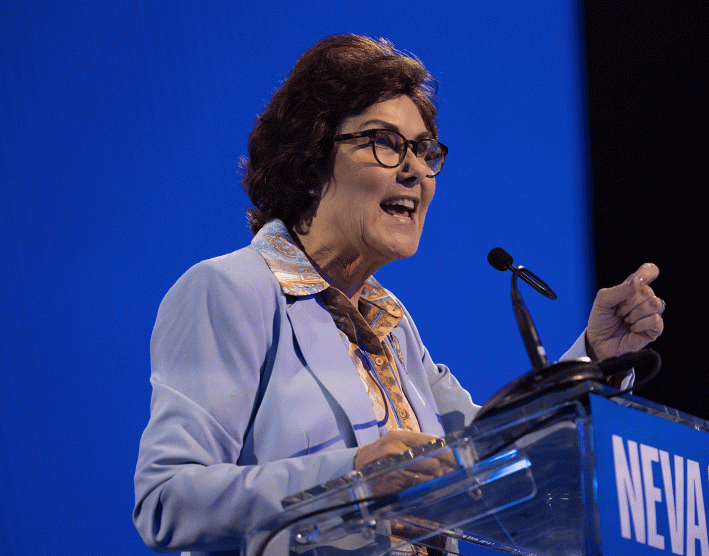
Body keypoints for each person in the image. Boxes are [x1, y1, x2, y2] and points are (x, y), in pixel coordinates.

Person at [133, 35, 665, 556]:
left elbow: (492, 451)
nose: (414, 170)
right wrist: (356, 477)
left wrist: (595, 357)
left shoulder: (390, 323)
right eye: (384, 143)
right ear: (312, 160)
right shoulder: (231, 292)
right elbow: (167, 501)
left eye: (425, 149)